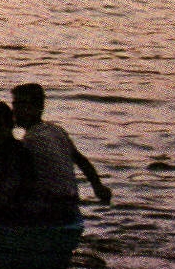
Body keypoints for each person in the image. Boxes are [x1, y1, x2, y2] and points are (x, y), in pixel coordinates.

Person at [11, 82, 111, 218]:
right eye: (15, 104)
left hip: (50, 210)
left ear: (37, 107)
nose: (15, 110)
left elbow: (20, 181)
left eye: (20, 105)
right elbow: (82, 161)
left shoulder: (30, 141)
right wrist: (98, 187)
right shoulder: (56, 130)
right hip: (72, 206)